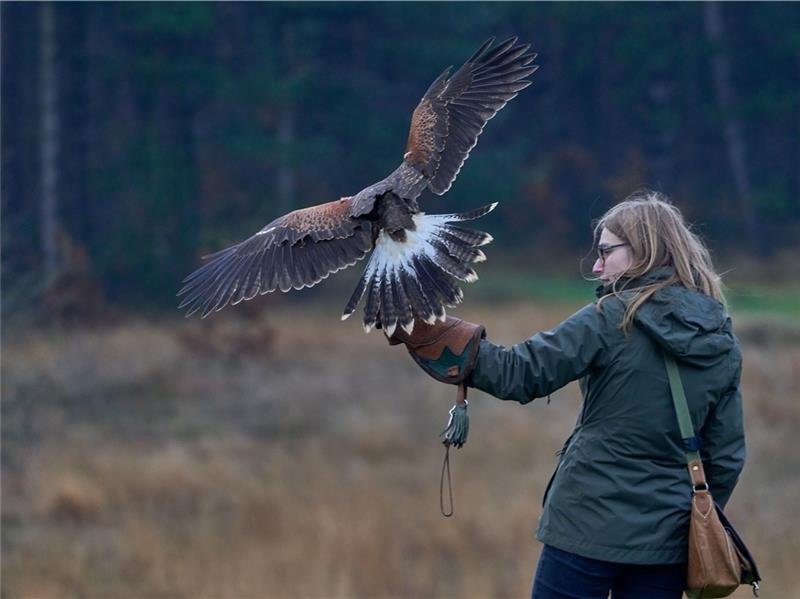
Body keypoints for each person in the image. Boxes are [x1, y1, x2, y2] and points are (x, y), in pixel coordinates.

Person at [391, 190, 745, 599]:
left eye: (606, 251)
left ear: (643, 252)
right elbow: (727, 456)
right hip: (666, 544)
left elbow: (519, 374)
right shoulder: (721, 337)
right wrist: (678, 521)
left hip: (584, 528)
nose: (596, 265)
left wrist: (431, 328)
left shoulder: (612, 318)